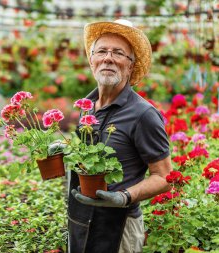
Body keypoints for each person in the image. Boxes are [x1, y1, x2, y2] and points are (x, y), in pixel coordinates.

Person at [67, 20, 173, 253]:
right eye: (102, 51)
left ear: (130, 66)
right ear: (92, 60)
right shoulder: (87, 107)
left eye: (118, 53)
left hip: (119, 227)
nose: (108, 58)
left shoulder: (143, 114)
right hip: (80, 220)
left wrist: (124, 197)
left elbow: (165, 176)